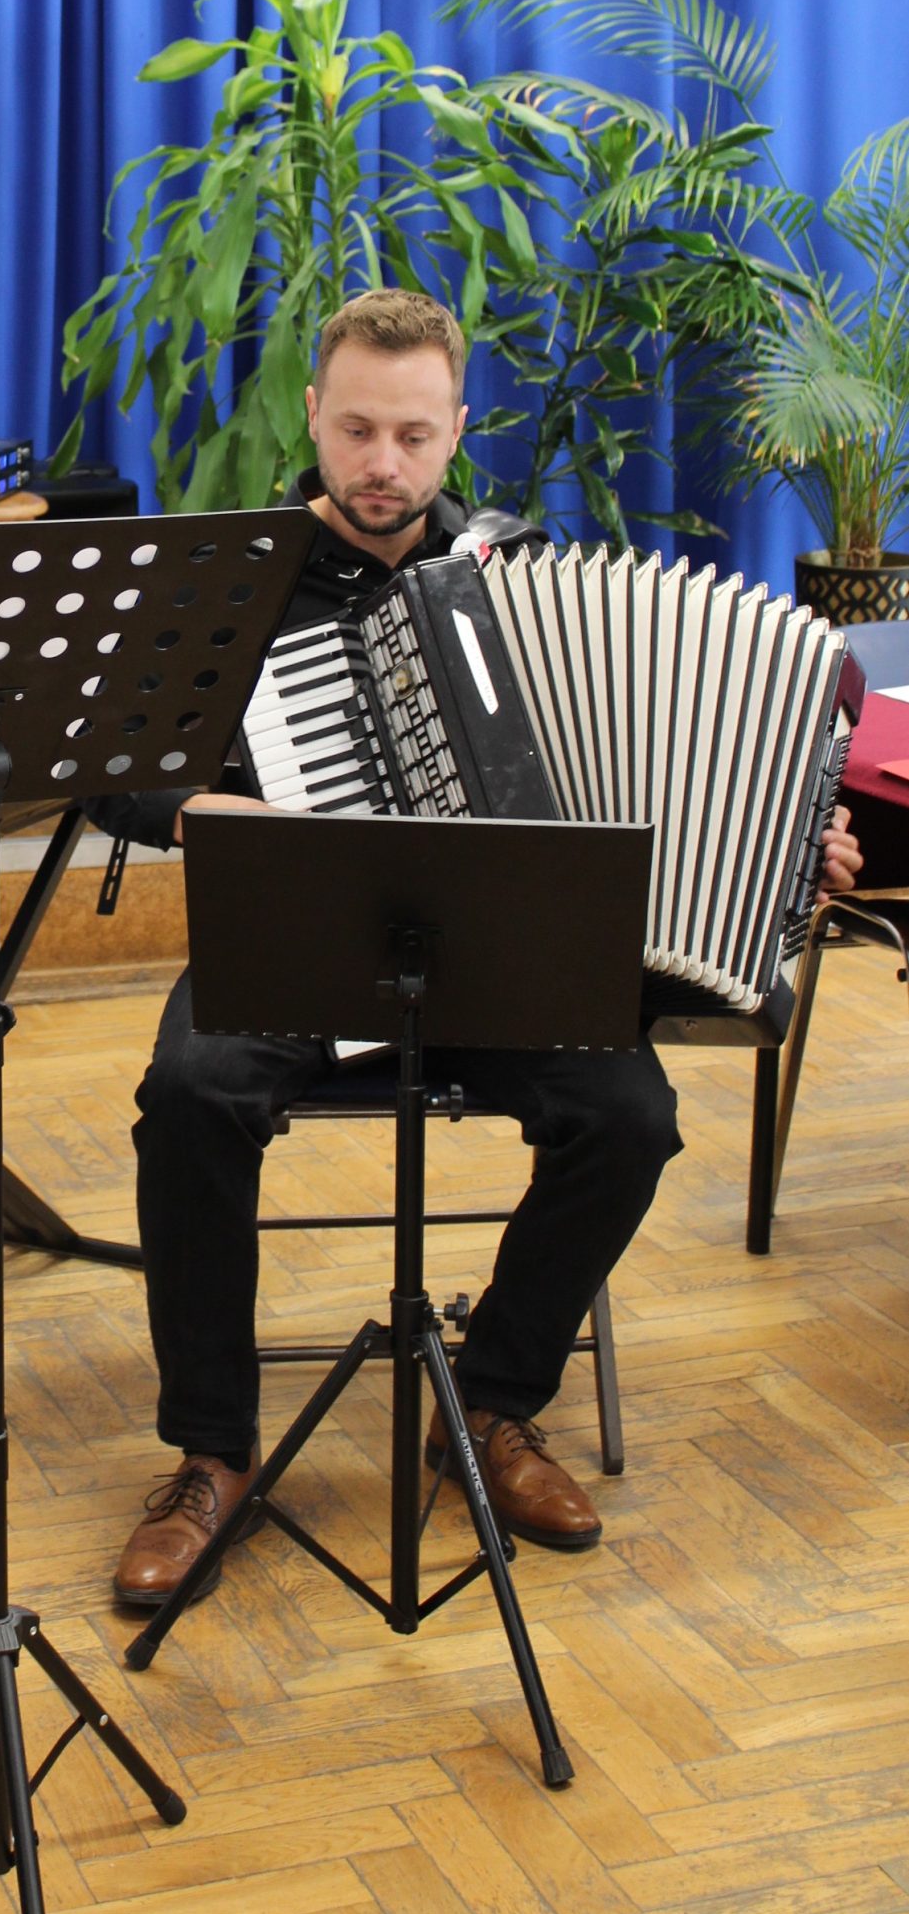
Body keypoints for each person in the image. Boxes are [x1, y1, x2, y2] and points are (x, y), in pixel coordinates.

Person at [108, 289, 863, 1606]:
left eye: (413, 435)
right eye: (356, 430)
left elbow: (660, 772)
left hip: (501, 960)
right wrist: (190, 807)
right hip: (299, 935)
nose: (382, 464)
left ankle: (494, 1402)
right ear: (312, 416)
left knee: (628, 1118)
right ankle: (212, 1451)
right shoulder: (232, 582)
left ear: (457, 429)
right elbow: (107, 768)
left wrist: (791, 842)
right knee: (188, 1095)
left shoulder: (521, 581)